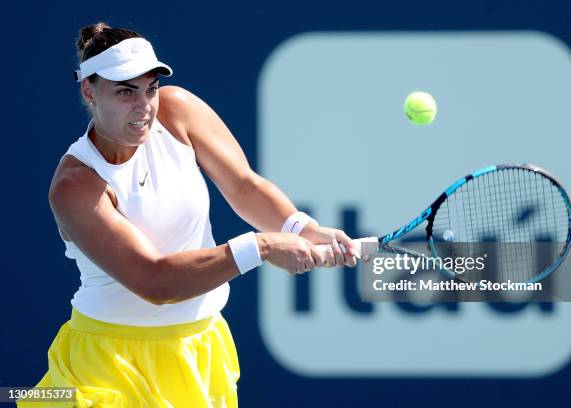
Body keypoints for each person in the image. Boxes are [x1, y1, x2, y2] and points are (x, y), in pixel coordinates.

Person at [19, 22, 357, 408]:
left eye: (150, 88)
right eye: (125, 91)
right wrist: (260, 246)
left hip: (200, 352)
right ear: (88, 91)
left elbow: (244, 185)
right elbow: (155, 281)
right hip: (110, 365)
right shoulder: (76, 185)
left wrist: (302, 227)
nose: (144, 105)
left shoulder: (177, 111)